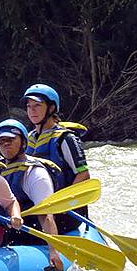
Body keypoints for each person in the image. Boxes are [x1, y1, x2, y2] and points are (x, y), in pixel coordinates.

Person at [0, 119, 63, 270]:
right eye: (2, 141)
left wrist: (54, 250)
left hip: (32, 235)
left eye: (11, 140)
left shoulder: (35, 173)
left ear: (23, 143)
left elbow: (46, 215)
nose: (6, 144)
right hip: (6, 232)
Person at [22, 83, 90, 232]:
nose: (32, 110)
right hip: (36, 206)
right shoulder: (28, 138)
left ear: (51, 108)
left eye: (37, 106)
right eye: (29, 106)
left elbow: (84, 174)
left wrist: (63, 202)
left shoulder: (65, 139)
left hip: (63, 211)